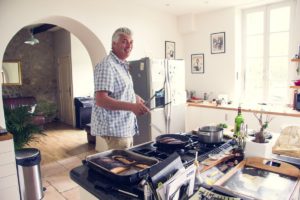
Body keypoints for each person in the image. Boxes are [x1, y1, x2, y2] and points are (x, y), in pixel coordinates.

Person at [91, 27, 149, 150]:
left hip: (125, 128)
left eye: (131, 42)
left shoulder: (122, 65)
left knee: (128, 166)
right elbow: (101, 100)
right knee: (122, 168)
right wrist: (132, 107)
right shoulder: (107, 65)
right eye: (124, 41)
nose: (129, 46)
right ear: (114, 44)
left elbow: (120, 91)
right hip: (116, 130)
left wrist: (135, 98)